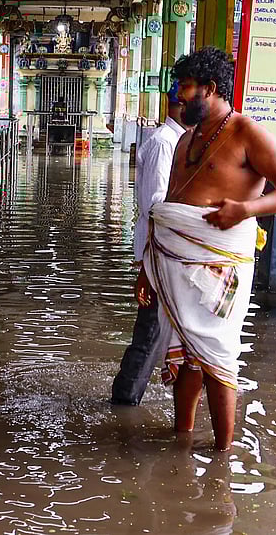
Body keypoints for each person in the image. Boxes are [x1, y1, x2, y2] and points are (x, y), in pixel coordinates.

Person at [140, 47, 276, 451]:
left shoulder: (248, 132)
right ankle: (181, 440)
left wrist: (245, 209)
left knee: (216, 358)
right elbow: (165, 209)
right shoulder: (184, 139)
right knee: (185, 358)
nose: (178, 95)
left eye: (185, 87)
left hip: (220, 262)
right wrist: (146, 270)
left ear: (210, 89)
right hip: (171, 262)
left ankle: (222, 455)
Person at [111, 80, 190, 406]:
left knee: (155, 332)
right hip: (157, 250)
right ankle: (125, 402)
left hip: (164, 249)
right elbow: (155, 204)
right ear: (182, 105)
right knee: (149, 332)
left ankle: (128, 397)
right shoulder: (163, 144)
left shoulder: (177, 141)